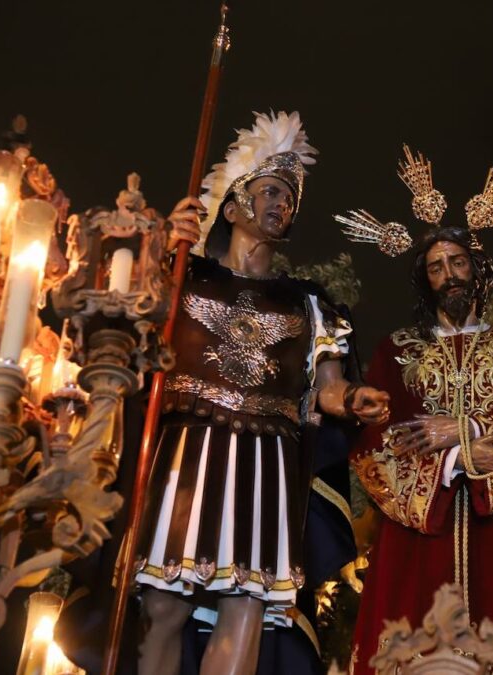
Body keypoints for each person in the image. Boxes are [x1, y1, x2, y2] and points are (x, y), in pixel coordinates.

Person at [132, 110, 389, 675]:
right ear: (231, 207)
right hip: (188, 449)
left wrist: (351, 400)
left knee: (245, 606)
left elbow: (326, 386)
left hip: (266, 459)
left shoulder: (309, 302)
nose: (283, 203)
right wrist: (158, 246)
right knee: (163, 605)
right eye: (270, 190)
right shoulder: (185, 275)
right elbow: (136, 320)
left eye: (290, 197)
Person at [338, 148, 493, 673]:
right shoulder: (395, 351)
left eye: (458, 262)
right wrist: (449, 461)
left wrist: (465, 430)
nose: (449, 275)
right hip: (418, 538)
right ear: (425, 280)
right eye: (437, 267)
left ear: (477, 269)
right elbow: (376, 446)